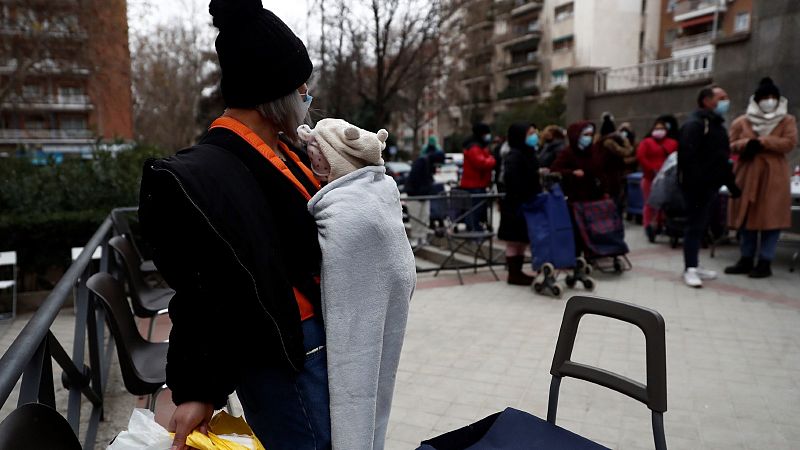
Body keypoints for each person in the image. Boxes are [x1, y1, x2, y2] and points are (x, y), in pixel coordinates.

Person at [138, 2, 331, 449]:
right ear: (273, 92)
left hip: (321, 343)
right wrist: (197, 388)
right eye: (301, 86)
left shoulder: (284, 150)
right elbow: (204, 288)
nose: (306, 95)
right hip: (287, 359)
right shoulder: (204, 175)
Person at [299, 120, 416, 450]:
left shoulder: (353, 202)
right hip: (384, 299)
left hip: (364, 311)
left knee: (361, 378)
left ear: (335, 156)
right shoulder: (377, 188)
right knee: (374, 385)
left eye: (317, 152)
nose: (312, 160)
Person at [725, 77, 798, 278]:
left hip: (773, 175)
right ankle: (746, 258)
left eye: (773, 97)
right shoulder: (742, 121)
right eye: (765, 97)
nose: (769, 101)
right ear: (757, 100)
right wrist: (746, 145)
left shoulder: (787, 120)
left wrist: (763, 142)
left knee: (771, 219)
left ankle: (765, 261)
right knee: (747, 219)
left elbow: (789, 143)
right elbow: (731, 144)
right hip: (747, 173)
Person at [678, 85, 741, 288]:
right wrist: (697, 185)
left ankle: (694, 265)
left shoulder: (716, 125)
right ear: (706, 100)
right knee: (693, 227)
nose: (725, 101)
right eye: (721, 97)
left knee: (701, 227)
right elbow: (687, 159)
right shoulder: (696, 124)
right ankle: (690, 269)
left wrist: (731, 185)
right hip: (696, 189)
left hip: (710, 187)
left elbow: (722, 160)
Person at [498, 123, 542, 286]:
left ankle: (518, 273)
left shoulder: (529, 153)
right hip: (516, 205)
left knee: (522, 240)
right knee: (514, 240)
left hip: (527, 203)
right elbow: (513, 181)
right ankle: (514, 274)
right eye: (530, 133)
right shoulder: (514, 156)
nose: (534, 136)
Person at [637, 118, 679, 242]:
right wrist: (651, 170)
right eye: (656, 128)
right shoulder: (646, 142)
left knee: (665, 203)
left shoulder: (672, 143)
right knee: (650, 203)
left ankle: (661, 224)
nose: (659, 131)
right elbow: (641, 156)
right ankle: (648, 225)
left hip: (667, 178)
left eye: (661, 129)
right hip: (650, 177)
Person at [405, 142, 446, 246]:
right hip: (415, 195)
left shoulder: (428, 163)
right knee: (416, 218)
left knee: (424, 217)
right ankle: (415, 238)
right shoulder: (421, 162)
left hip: (424, 195)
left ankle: (422, 237)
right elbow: (414, 180)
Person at [460, 123, 497, 230]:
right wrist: (493, 160)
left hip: (477, 183)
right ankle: (474, 230)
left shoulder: (477, 146)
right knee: (474, 210)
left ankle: (475, 227)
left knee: (476, 209)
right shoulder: (474, 148)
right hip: (474, 184)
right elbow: (481, 163)